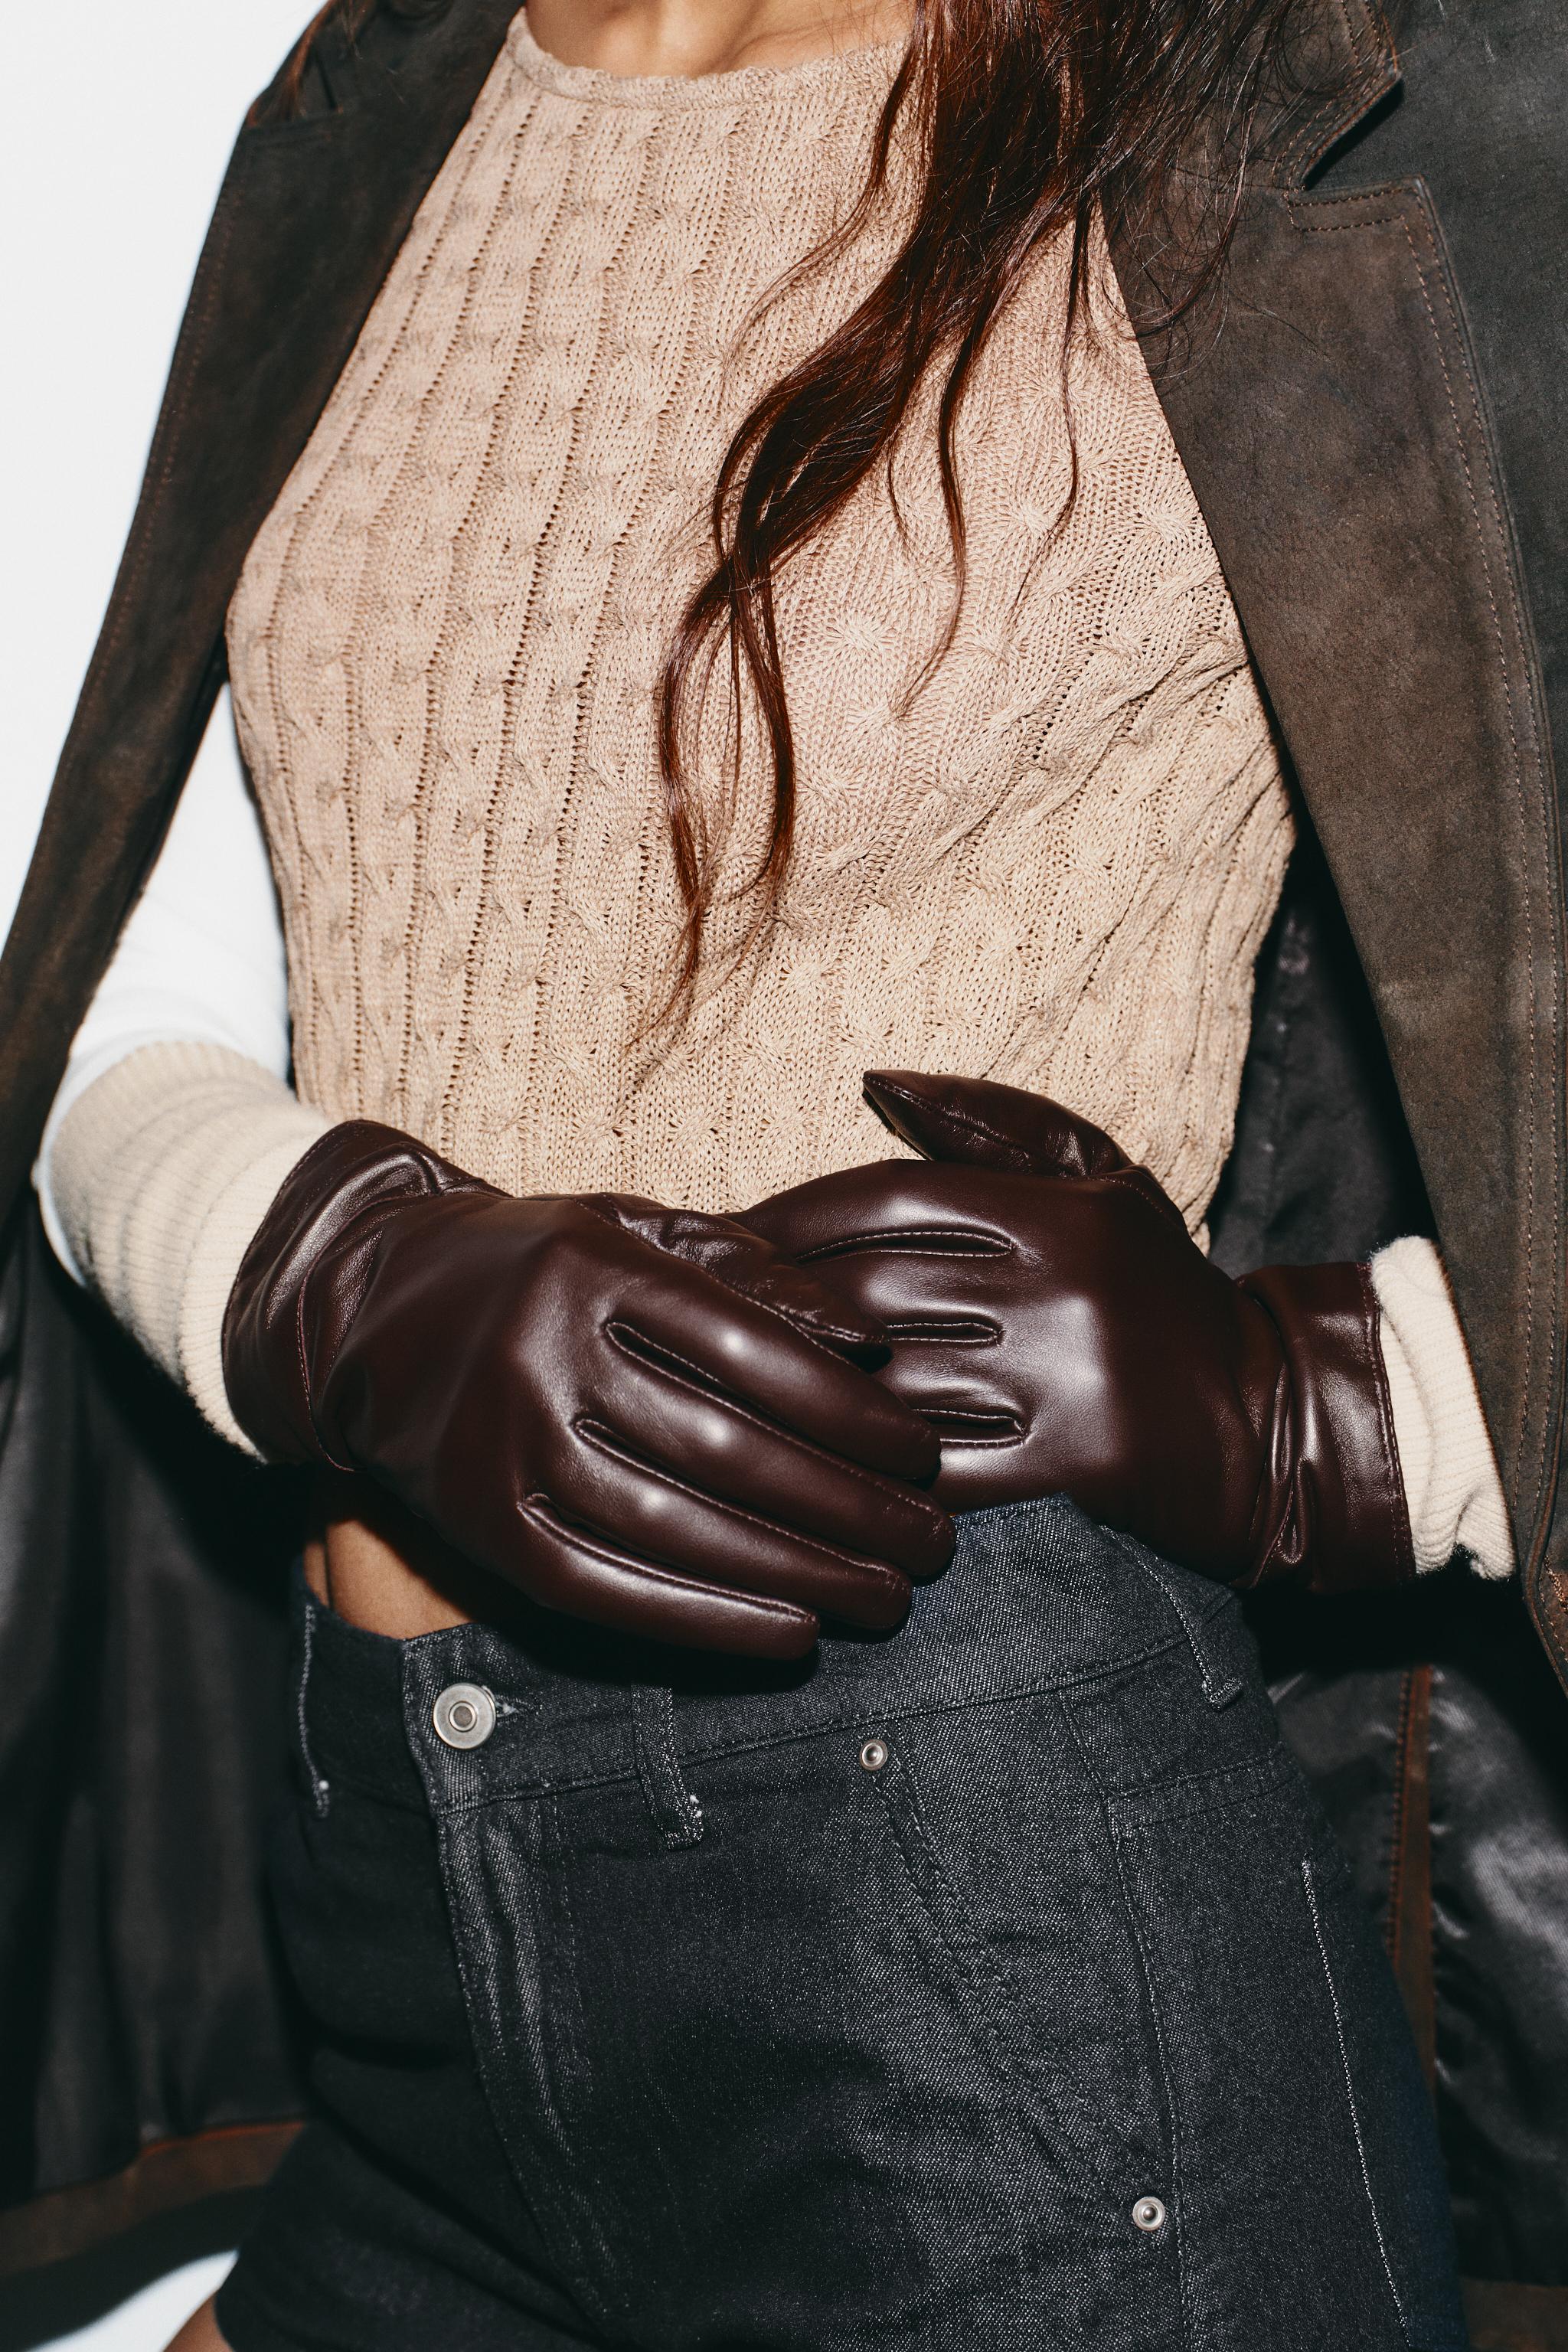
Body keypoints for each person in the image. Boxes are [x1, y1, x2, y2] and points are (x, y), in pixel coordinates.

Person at [2, 0, 1563, 2337]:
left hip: (990, 1959)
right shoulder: (383, 88)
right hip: (402, 1930)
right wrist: (332, 1277)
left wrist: (1333, 1413)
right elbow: (128, 966)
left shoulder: (1331, 80)